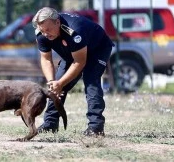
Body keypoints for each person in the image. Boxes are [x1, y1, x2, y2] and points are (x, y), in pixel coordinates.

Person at [32, 7, 114, 137]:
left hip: (97, 49)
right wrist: (53, 82)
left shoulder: (74, 31)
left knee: (91, 81)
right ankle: (50, 123)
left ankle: (95, 127)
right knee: (56, 86)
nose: (45, 34)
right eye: (42, 30)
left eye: (48, 30)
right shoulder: (42, 34)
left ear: (57, 22)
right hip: (73, 52)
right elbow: (46, 59)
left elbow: (80, 63)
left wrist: (61, 83)